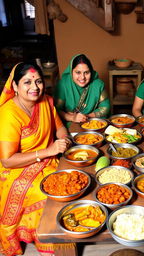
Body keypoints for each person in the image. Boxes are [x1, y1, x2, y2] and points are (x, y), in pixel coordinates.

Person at [0, 62, 74, 256]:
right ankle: (50, 244)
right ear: (15, 86)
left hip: (48, 158)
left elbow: (60, 128)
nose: (35, 87)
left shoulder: (46, 102)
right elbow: (7, 160)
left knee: (69, 182)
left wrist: (64, 140)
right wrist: (47, 152)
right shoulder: (8, 113)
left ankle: (65, 239)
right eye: (27, 82)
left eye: (38, 81)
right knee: (48, 192)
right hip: (16, 168)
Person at [54, 54, 110, 128]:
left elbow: (106, 107)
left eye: (86, 72)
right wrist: (72, 118)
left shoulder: (98, 84)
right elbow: (55, 109)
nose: (82, 77)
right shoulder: (64, 84)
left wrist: (86, 116)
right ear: (71, 72)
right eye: (78, 72)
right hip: (70, 123)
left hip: (92, 122)